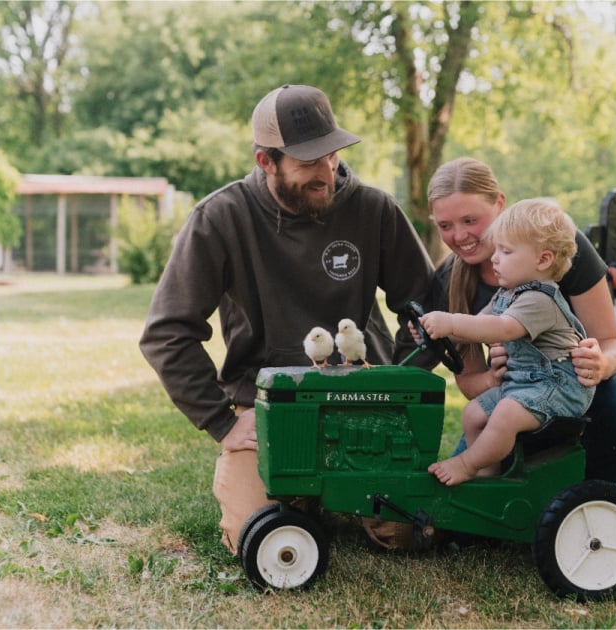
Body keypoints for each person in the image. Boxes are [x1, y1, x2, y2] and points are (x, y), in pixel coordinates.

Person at [139, 84, 435, 555]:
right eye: (308, 162)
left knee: (408, 533)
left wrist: (399, 382)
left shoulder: (374, 209)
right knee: (257, 537)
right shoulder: (220, 217)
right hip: (269, 409)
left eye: (332, 156)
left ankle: (324, 491)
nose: (327, 172)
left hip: (363, 398)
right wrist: (222, 423)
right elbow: (166, 332)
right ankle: (297, 493)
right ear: (266, 161)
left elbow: (425, 306)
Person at [426, 157, 616, 486]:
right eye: (445, 225)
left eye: (470, 220)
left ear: (499, 203)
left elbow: (612, 341)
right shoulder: (450, 278)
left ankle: (597, 492)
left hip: (566, 390)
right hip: (515, 395)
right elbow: (469, 381)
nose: (459, 235)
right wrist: (494, 377)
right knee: (475, 428)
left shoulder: (557, 247)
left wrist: (600, 363)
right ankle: (490, 491)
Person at [419, 198, 595, 486]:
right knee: (474, 413)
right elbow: (475, 325)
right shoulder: (508, 294)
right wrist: (438, 331)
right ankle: (489, 481)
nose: (495, 258)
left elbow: (498, 328)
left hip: (557, 388)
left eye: (506, 251)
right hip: (524, 385)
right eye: (497, 249)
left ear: (543, 259)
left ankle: (468, 464)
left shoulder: (539, 300)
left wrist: (450, 321)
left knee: (506, 414)